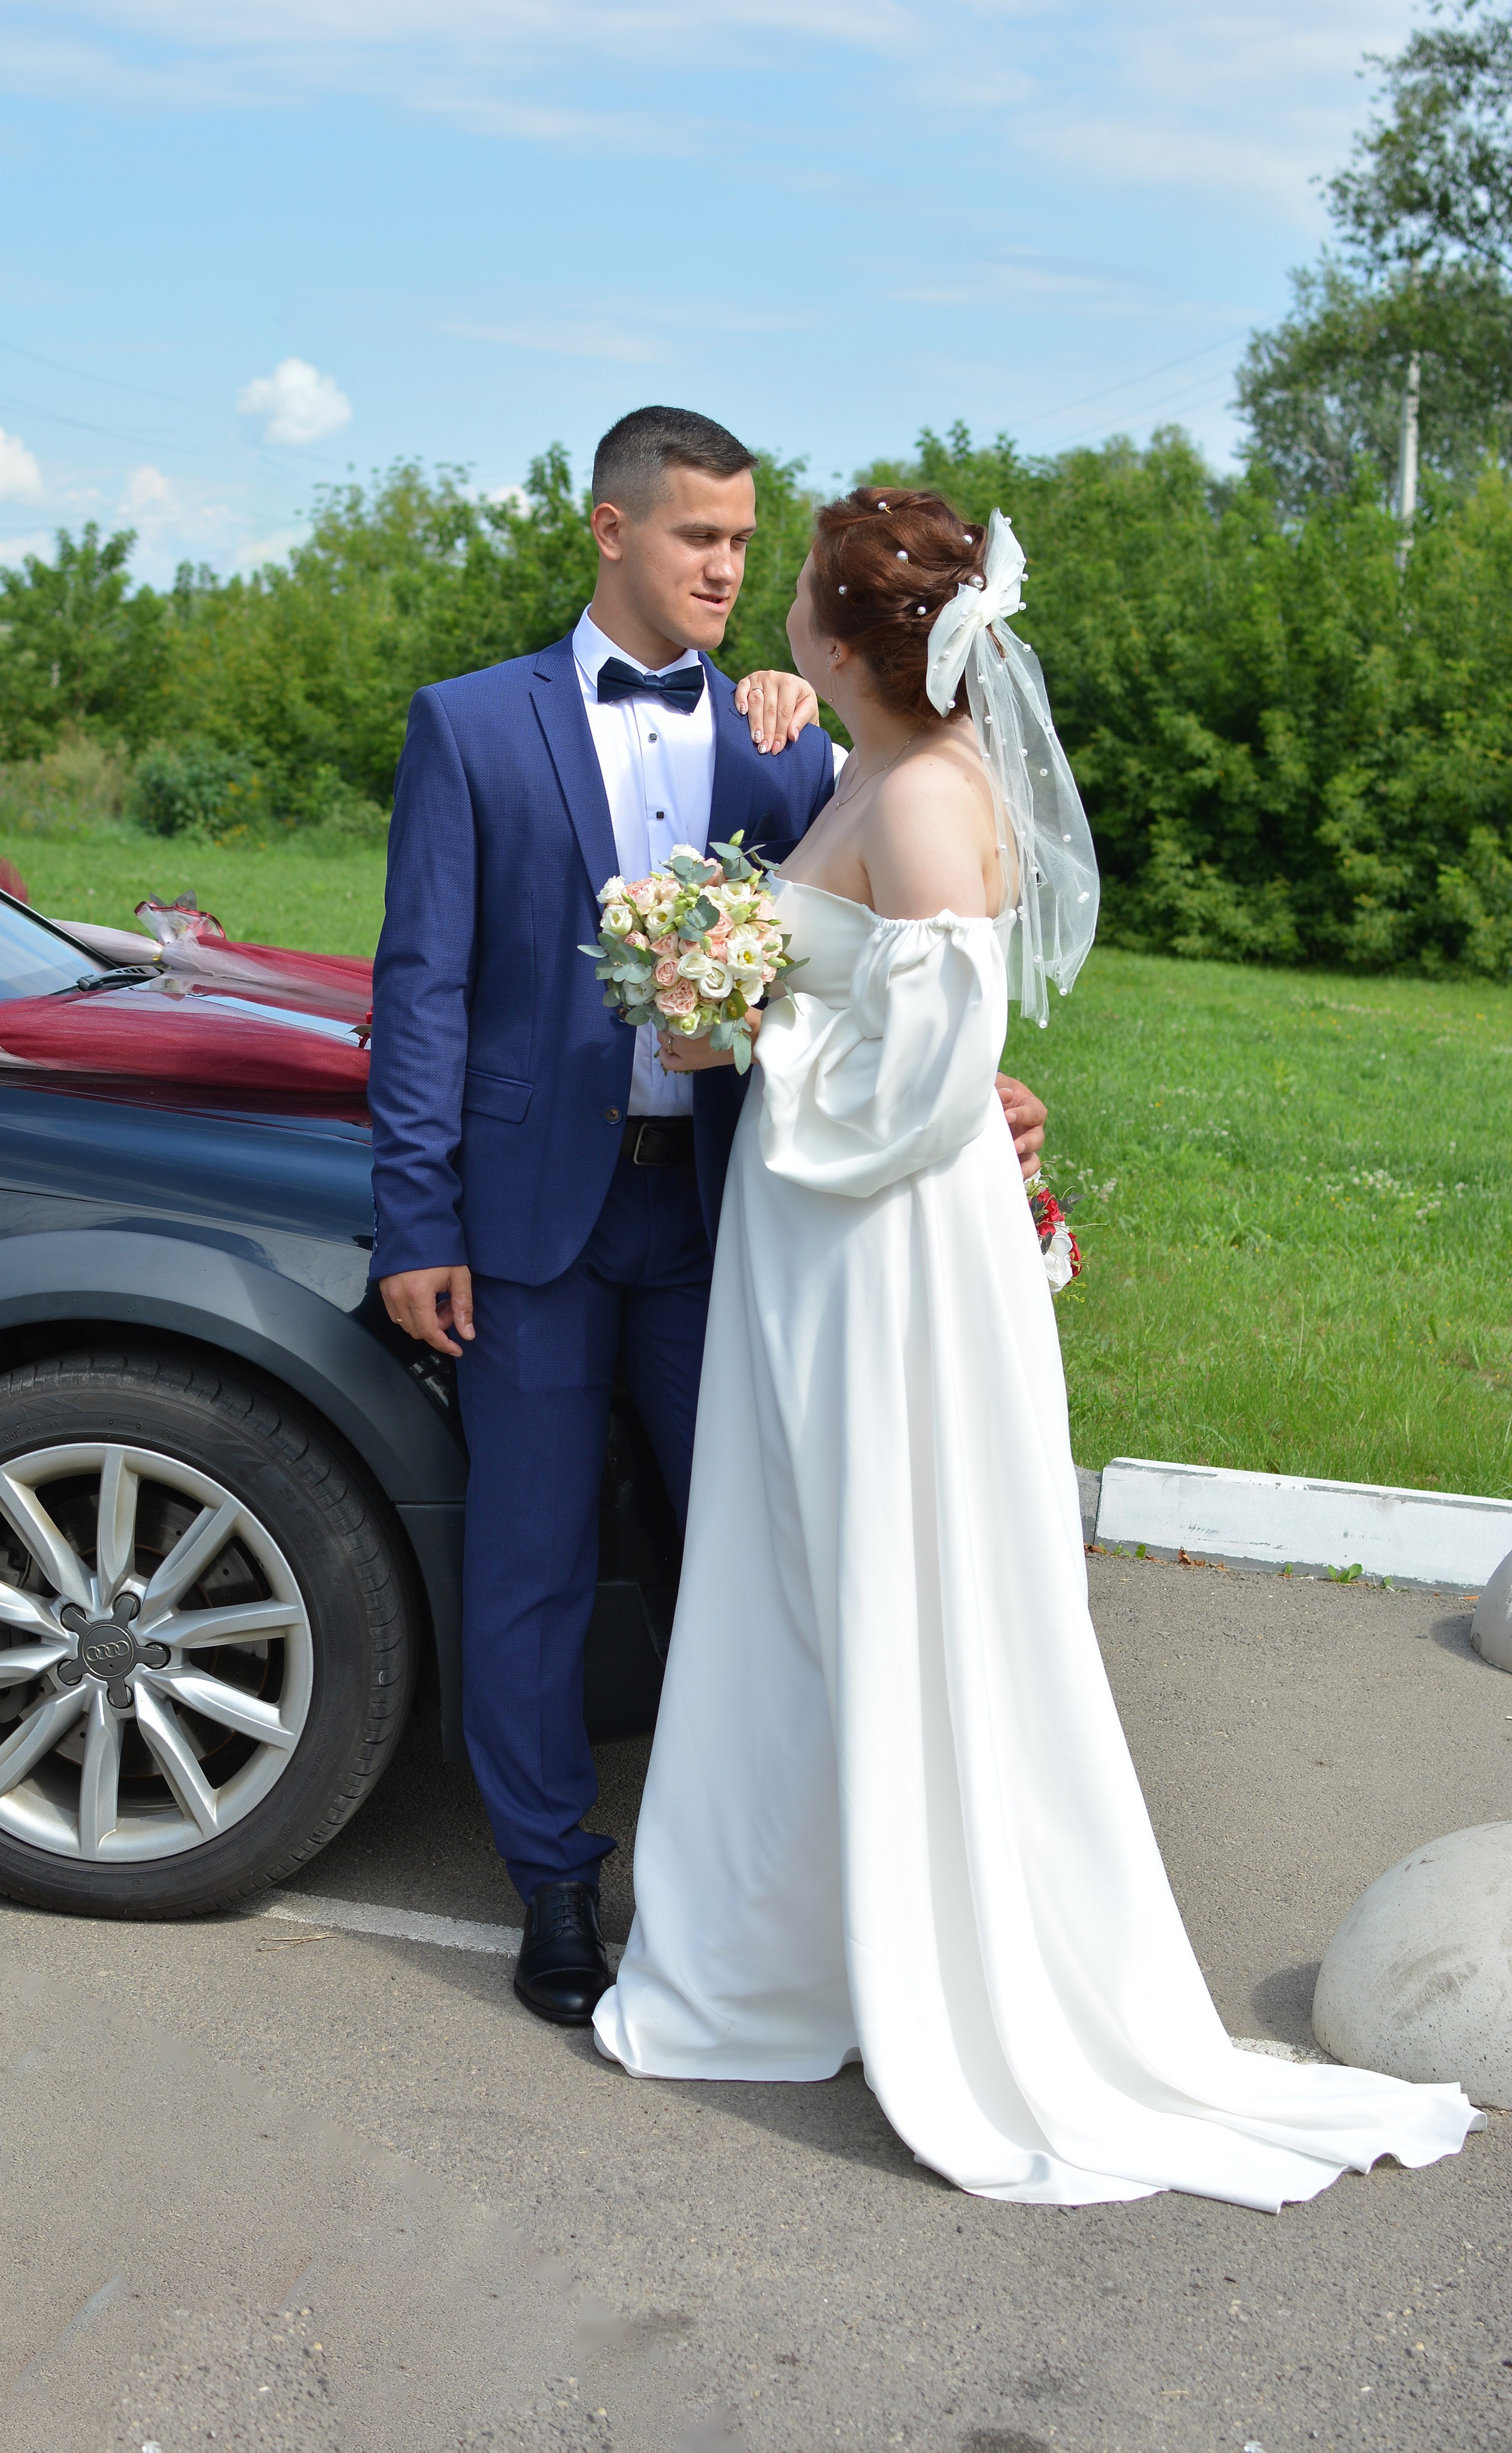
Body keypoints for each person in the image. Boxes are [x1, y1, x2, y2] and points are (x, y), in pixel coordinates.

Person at [590, 486, 1481, 2210]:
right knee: (804, 1580)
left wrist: (742, 1024)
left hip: (886, 1256)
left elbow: (927, 1077)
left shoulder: (925, 796)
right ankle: (798, 1953)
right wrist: (741, 987)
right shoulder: (874, 761)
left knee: (884, 1577)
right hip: (828, 1243)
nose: (772, 605)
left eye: (795, 589)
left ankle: (935, 1979)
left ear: (844, 637)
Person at [369, 411, 1050, 2026]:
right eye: (696, 540)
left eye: (745, 543)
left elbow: (903, 950)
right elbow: (422, 994)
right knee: (527, 1568)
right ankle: (551, 1882)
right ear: (610, 530)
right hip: (528, 1225)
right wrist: (416, 1222)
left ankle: (756, 1880)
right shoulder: (468, 728)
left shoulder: (791, 740)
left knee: (748, 1554)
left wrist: (986, 1104)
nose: (728, 570)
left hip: (738, 1217)